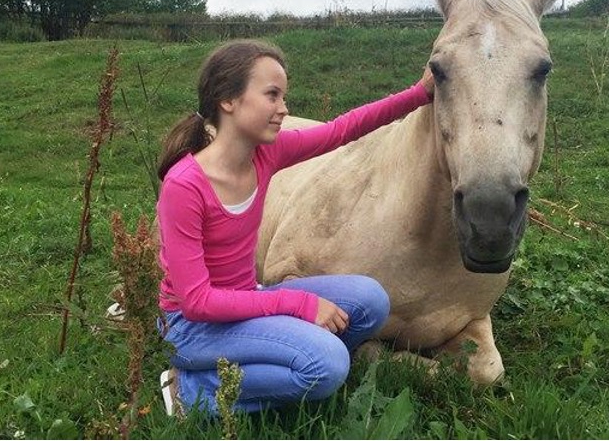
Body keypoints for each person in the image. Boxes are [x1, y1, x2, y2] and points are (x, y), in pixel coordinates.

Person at [155, 39, 434, 416]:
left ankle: (285, 360)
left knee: (371, 301)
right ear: (228, 100)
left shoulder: (267, 153)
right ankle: (189, 389)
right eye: (272, 95)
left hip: (244, 299)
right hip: (190, 328)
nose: (283, 109)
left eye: (283, 96)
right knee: (328, 365)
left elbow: (343, 129)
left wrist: (419, 94)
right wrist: (300, 304)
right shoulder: (184, 186)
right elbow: (198, 302)